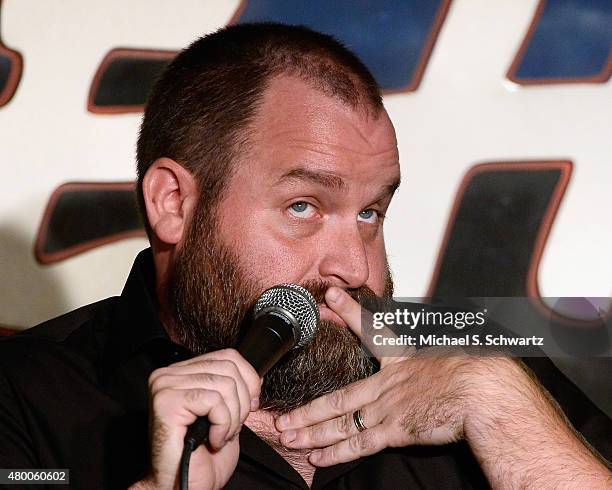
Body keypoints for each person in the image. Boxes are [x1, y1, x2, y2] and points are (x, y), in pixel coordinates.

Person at [0, 23, 610, 489]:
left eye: (371, 213)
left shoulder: (478, 365)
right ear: (174, 203)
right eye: (303, 207)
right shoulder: (27, 399)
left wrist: (504, 411)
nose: (354, 266)